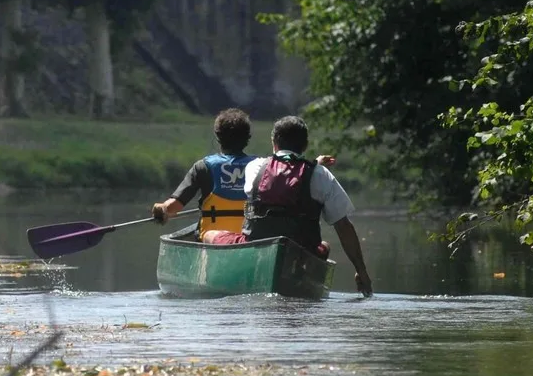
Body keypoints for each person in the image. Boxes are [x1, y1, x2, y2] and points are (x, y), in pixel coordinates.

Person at [152, 114, 372, 297]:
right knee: (324, 244)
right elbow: (343, 226)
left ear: (273, 142)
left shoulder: (255, 169)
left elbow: (280, 176)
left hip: (256, 246)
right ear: (304, 145)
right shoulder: (320, 175)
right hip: (301, 250)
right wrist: (361, 271)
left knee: (208, 235)